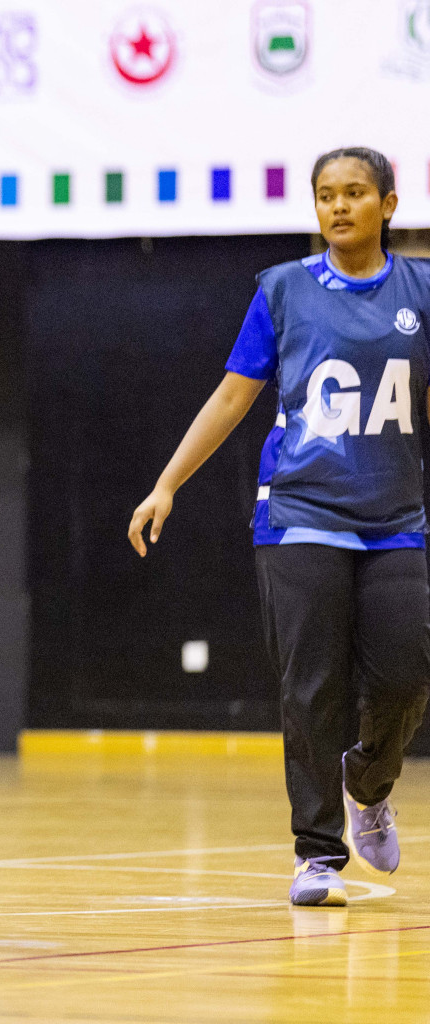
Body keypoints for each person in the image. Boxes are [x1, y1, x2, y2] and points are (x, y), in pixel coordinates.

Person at [129, 147, 430, 907]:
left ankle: (368, 782)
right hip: (300, 511)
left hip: (396, 517)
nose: (338, 207)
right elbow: (232, 398)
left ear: (388, 205)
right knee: (311, 686)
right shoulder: (283, 290)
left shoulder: (423, 290)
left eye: (355, 193)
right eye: (326, 194)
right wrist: (166, 484)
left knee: (405, 673)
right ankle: (317, 854)